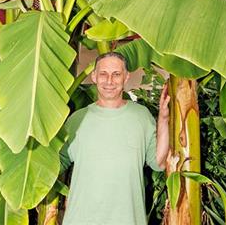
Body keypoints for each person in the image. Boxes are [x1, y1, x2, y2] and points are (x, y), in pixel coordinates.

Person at [61, 52, 170, 225]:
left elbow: (160, 162)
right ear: (94, 76)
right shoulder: (76, 119)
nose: (109, 81)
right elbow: (56, 165)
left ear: (126, 77)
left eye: (116, 74)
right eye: (103, 74)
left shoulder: (141, 116)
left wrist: (164, 118)